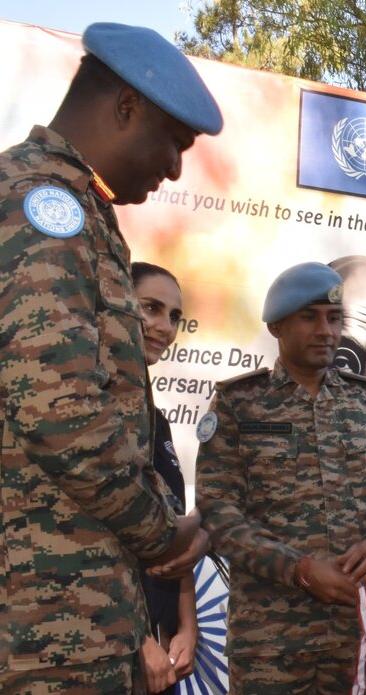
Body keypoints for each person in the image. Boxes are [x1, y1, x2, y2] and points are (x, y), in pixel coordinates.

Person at [0, 22, 220, 690]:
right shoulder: (41, 206)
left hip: (72, 614)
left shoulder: (78, 211)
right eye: (173, 142)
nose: (176, 167)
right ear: (125, 107)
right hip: (41, 625)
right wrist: (162, 531)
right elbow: (58, 408)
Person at [195, 262, 366, 693]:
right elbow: (218, 513)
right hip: (270, 642)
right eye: (309, 317)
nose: (325, 330)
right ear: (277, 326)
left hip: (354, 633)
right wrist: (298, 569)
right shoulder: (238, 404)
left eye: (334, 318)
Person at [132, 262, 200, 693]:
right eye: (151, 308)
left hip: (166, 648)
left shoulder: (155, 419)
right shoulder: (87, 411)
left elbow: (176, 536)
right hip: (103, 640)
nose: (165, 326)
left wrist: (187, 628)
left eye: (174, 316)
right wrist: (134, 639)